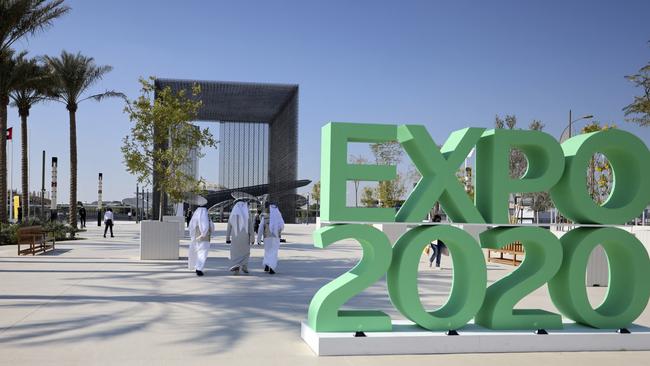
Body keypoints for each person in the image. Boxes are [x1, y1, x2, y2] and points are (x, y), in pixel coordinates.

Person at [226, 201, 255, 275]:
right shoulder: (247, 214)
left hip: (235, 238)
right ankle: (244, 266)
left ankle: (236, 267)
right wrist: (252, 238)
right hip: (245, 238)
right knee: (245, 253)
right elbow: (251, 227)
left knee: (235, 252)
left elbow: (229, 227)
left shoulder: (233, 214)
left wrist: (227, 238)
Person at [257, 203, 284, 274]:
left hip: (267, 237)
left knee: (267, 251)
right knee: (274, 252)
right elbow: (282, 227)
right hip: (276, 238)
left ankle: (266, 265)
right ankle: (271, 267)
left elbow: (260, 229)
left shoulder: (264, 217)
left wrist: (259, 239)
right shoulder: (279, 218)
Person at [188, 206, 214, 276]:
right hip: (205, 239)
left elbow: (191, 227)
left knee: (198, 253)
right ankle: (199, 269)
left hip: (197, 239)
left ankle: (197, 267)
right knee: (202, 254)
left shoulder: (195, 218)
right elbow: (212, 228)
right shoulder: (207, 218)